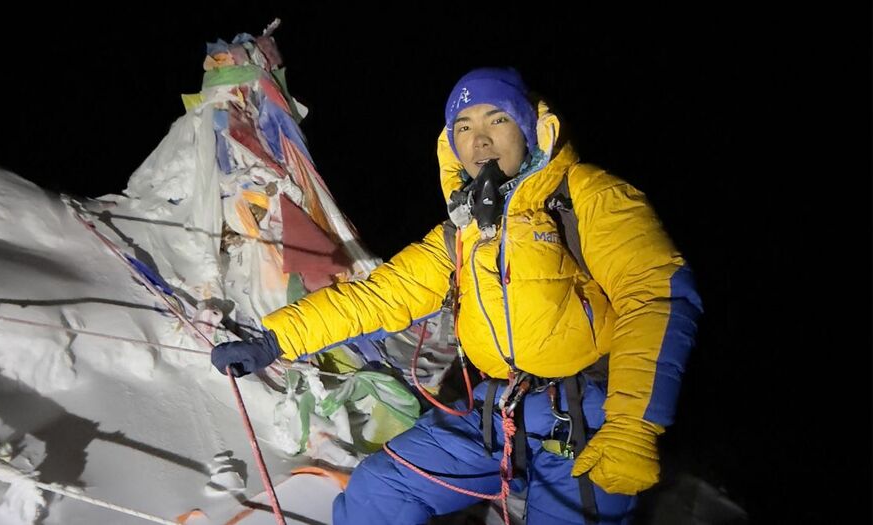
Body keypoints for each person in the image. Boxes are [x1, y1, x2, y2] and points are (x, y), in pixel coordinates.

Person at [211, 67, 702, 524]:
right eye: (463, 126)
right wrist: (274, 340)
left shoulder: (587, 196)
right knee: (380, 492)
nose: (480, 138)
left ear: (531, 128)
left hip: (590, 424)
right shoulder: (464, 233)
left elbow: (656, 297)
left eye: (498, 118)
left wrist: (633, 426)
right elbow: (381, 296)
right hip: (498, 414)